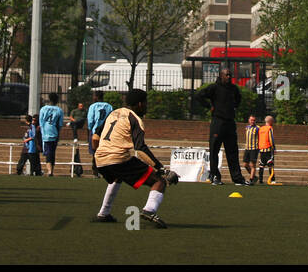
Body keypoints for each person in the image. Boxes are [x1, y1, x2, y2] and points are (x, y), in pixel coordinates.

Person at [91, 88, 177, 228]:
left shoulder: (113, 113)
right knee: (159, 181)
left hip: (101, 159)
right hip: (117, 158)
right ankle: (149, 210)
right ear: (140, 104)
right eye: (146, 103)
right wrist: (162, 170)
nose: (147, 106)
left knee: (117, 176)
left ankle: (103, 213)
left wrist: (95, 158)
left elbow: (95, 138)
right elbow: (140, 149)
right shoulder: (135, 119)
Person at [197, 66, 247, 185]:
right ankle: (215, 176)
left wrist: (234, 106)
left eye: (230, 75)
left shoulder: (233, 89)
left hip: (230, 123)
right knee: (214, 151)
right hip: (217, 123)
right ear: (221, 76)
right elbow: (199, 96)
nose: (229, 77)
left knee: (233, 152)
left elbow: (239, 99)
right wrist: (209, 107)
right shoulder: (214, 88)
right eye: (226, 75)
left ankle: (237, 178)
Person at [86, 90, 113, 178]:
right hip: (106, 132)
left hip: (95, 132)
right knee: (105, 152)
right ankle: (104, 171)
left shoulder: (93, 106)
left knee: (95, 152)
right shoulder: (109, 106)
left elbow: (90, 120)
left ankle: (95, 170)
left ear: (96, 97)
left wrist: (90, 129)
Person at [39, 92, 65, 177]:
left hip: (45, 133)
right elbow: (60, 124)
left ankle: (50, 171)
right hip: (54, 133)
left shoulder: (43, 109)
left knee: (48, 153)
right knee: (52, 152)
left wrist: (43, 131)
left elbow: (41, 122)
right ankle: (51, 170)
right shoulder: (59, 110)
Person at [258, 115, 276, 184]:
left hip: (261, 148)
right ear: (270, 121)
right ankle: (273, 180)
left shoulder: (261, 128)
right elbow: (271, 139)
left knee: (261, 165)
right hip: (268, 148)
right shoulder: (269, 128)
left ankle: (260, 180)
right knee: (270, 164)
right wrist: (274, 148)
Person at [243, 115, 261, 185]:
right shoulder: (247, 127)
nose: (252, 121)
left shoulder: (258, 128)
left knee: (252, 165)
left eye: (254, 120)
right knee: (245, 165)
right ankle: (254, 177)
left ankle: (251, 179)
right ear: (249, 120)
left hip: (254, 149)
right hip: (247, 148)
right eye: (251, 120)